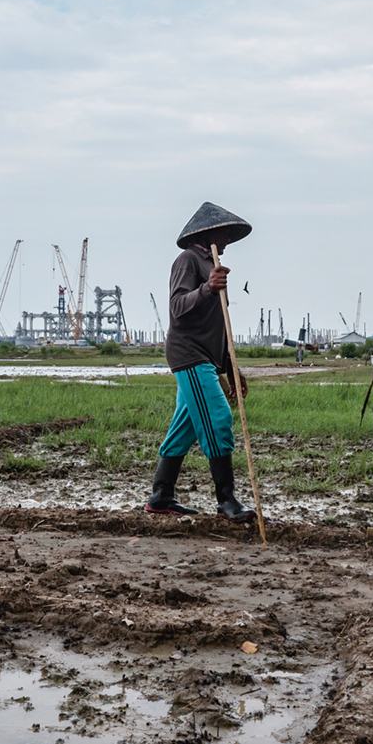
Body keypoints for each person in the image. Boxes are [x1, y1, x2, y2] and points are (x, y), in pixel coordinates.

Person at [144, 202, 256, 523]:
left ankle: (161, 495)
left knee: (187, 426)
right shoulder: (188, 261)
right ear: (208, 233)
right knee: (218, 417)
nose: (227, 242)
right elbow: (178, 306)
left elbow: (217, 325)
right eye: (224, 234)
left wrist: (232, 369)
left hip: (207, 357)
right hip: (189, 354)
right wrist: (207, 288)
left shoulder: (211, 264)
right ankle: (227, 501)